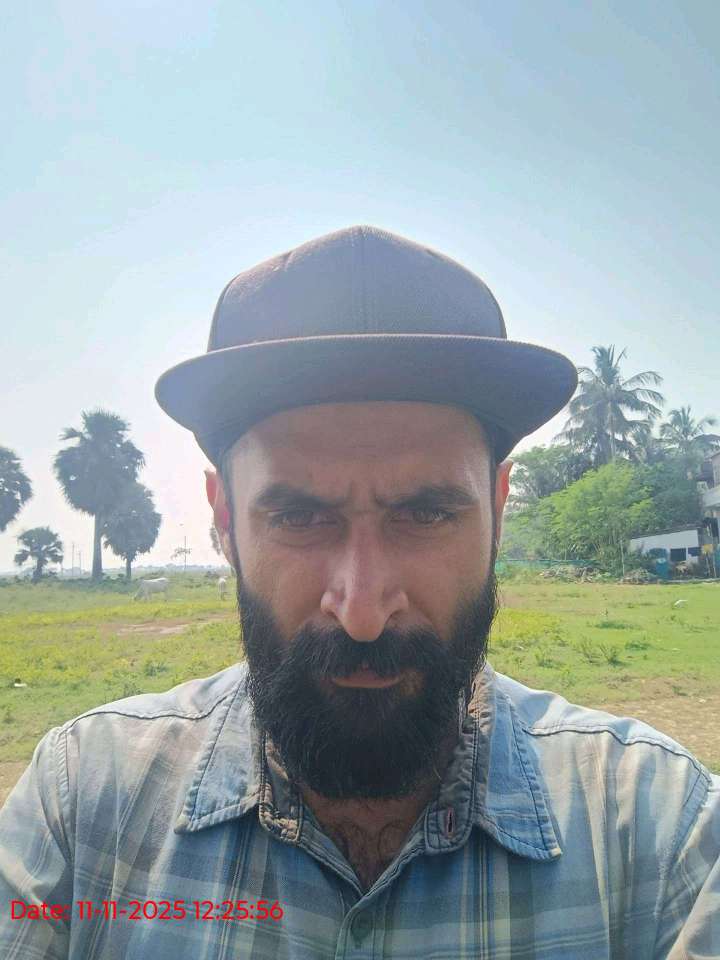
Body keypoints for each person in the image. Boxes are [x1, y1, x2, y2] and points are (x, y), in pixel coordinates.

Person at [0, 225, 717, 959]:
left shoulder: (663, 834)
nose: (365, 613)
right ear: (224, 519)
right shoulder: (80, 808)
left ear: (499, 513)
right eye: (299, 518)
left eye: (426, 515)